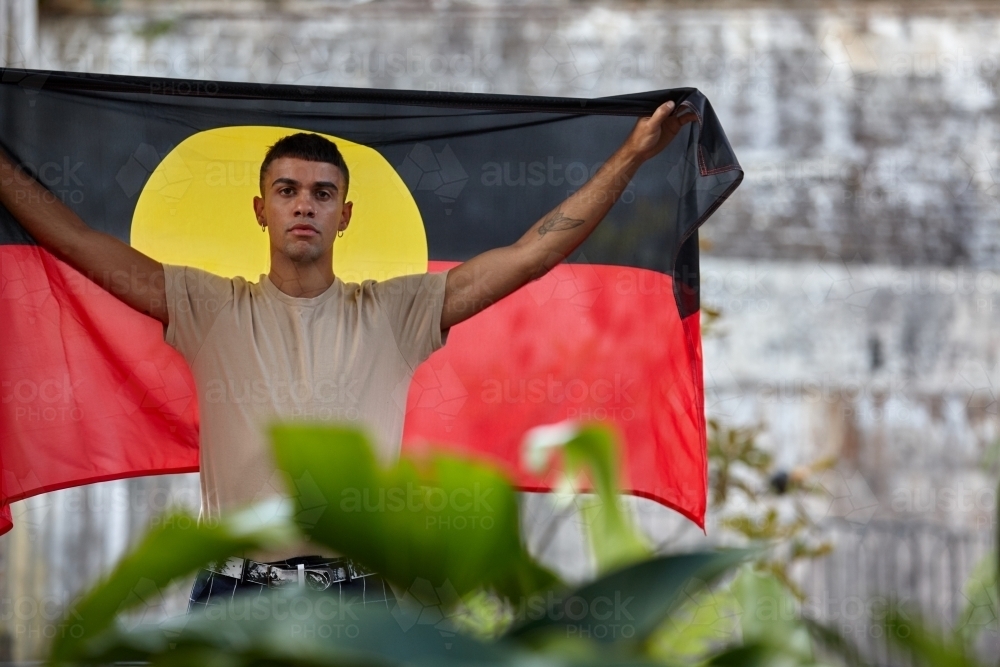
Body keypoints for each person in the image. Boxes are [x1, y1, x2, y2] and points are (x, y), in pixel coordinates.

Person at [0, 100, 695, 611]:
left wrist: (632, 155)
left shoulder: (397, 311)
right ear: (261, 208)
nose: (305, 204)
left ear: (346, 214)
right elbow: (78, 241)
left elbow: (534, 250)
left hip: (357, 600)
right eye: (288, 190)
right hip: (233, 597)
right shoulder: (206, 306)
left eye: (323, 193)